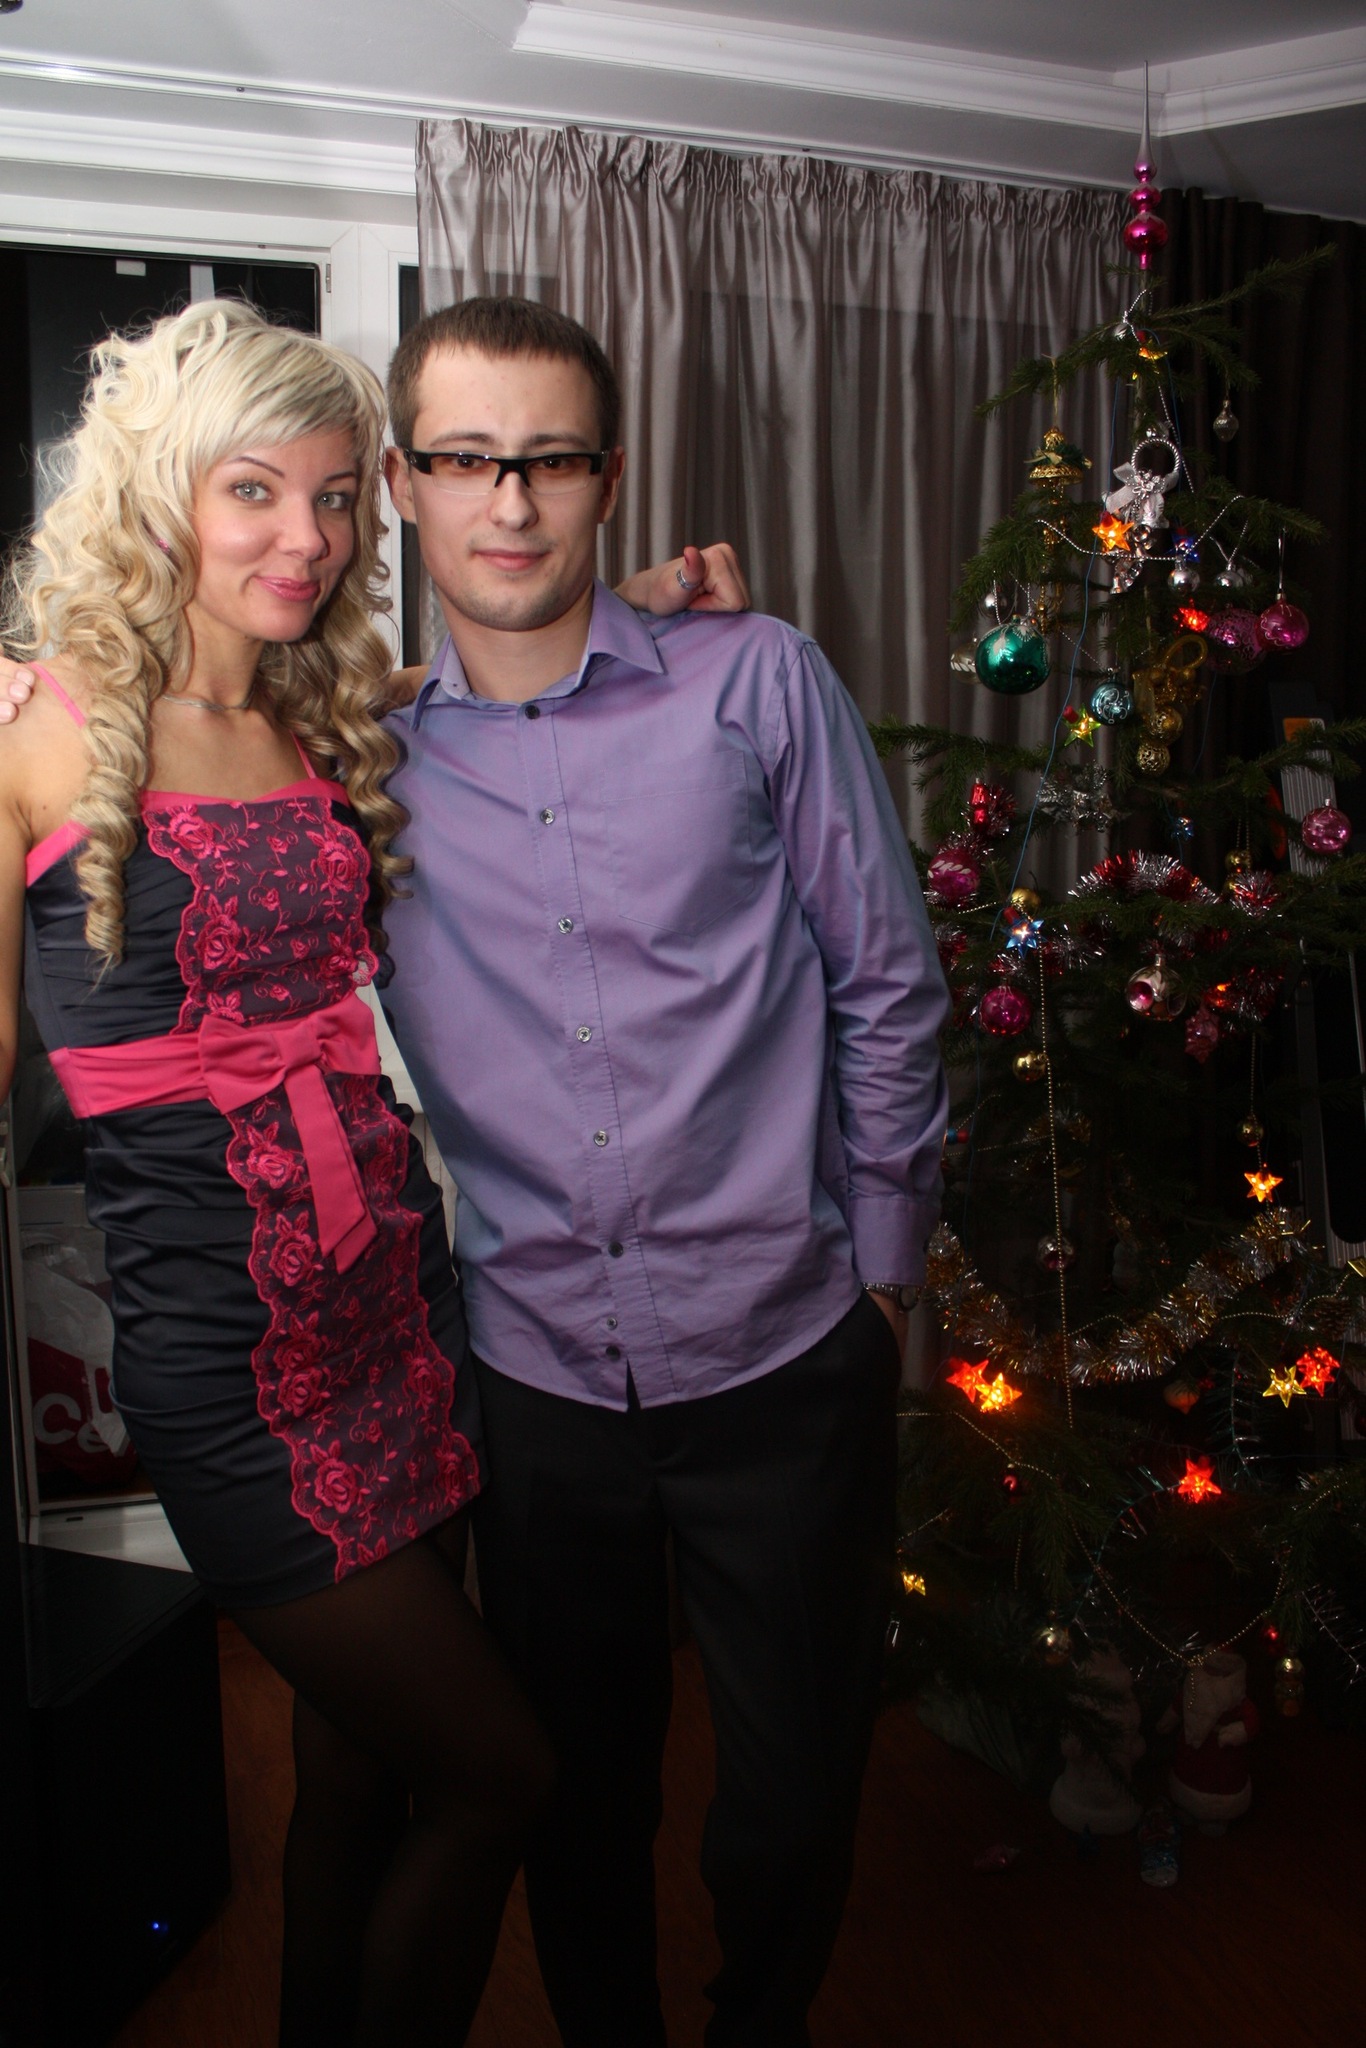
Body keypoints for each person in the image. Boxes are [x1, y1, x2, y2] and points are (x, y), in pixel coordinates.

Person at [0, 297, 745, 2048]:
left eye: (337, 496)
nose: (308, 538)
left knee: (358, 1780)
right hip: (231, 1377)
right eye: (254, 490)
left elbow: (454, 685)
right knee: (500, 1775)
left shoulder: (318, 714)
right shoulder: (37, 724)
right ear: (161, 488)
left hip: (403, 1324)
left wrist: (627, 600)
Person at [375, 297, 951, 2048]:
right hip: (539, 1378)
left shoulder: (755, 678)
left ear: (607, 478)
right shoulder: (359, 766)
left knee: (793, 1796)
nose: (510, 502)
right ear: (401, 485)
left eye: (548, 459)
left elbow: (884, 979)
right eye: (465, 459)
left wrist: (885, 1276)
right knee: (576, 1794)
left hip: (785, 1342)